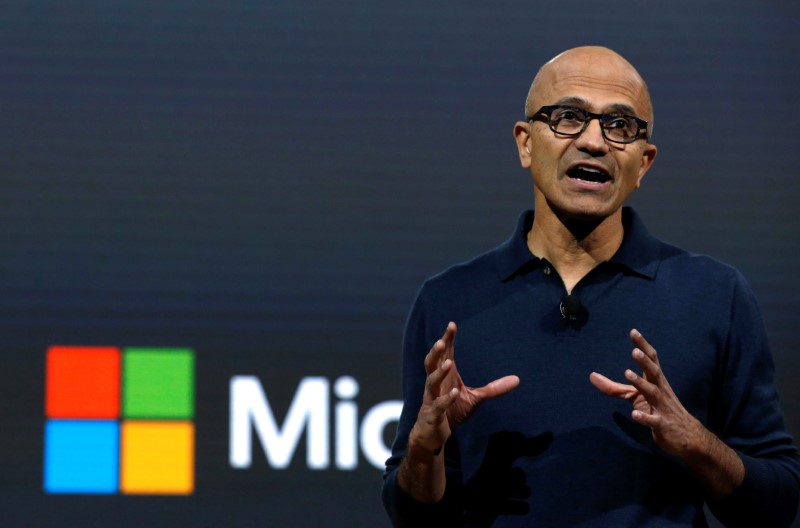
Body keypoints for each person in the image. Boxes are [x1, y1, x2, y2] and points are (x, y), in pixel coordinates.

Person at [382, 46, 800, 527]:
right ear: (525, 143)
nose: (595, 142)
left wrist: (695, 441)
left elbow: (777, 503)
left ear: (643, 163)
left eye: (620, 126)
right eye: (569, 117)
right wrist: (423, 451)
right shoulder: (448, 301)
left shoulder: (715, 294)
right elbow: (412, 515)